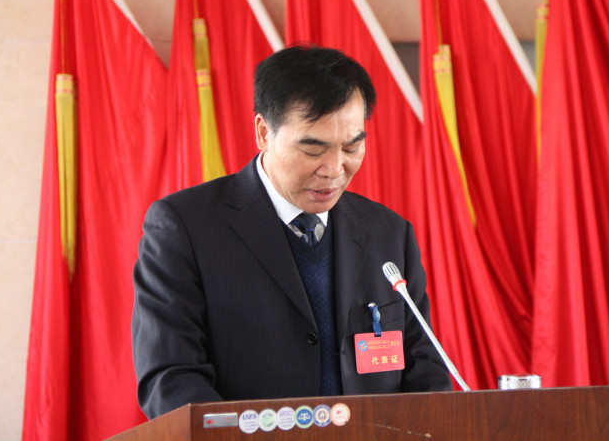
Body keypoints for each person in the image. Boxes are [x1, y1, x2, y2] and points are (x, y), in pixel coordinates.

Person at [132, 44, 452, 419]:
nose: (334, 169)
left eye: (352, 147)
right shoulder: (185, 227)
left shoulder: (389, 234)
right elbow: (170, 378)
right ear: (263, 132)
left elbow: (425, 372)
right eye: (313, 150)